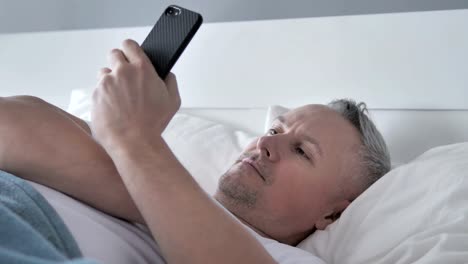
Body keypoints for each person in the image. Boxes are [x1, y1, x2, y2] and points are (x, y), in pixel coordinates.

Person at [0, 39, 391, 263]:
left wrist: (135, 139)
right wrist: (128, 147)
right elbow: (14, 123)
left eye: (302, 151)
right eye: (274, 129)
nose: (266, 144)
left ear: (333, 213)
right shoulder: (148, 171)